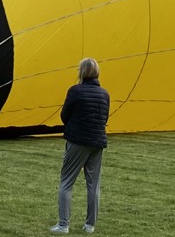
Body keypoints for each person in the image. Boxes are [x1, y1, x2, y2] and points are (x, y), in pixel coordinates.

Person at [51, 58, 109, 235]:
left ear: (81, 72)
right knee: (93, 184)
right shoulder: (104, 93)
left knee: (66, 182)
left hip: (78, 141)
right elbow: (104, 118)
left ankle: (63, 224)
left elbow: (64, 115)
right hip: (97, 142)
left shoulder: (75, 91)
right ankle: (90, 225)